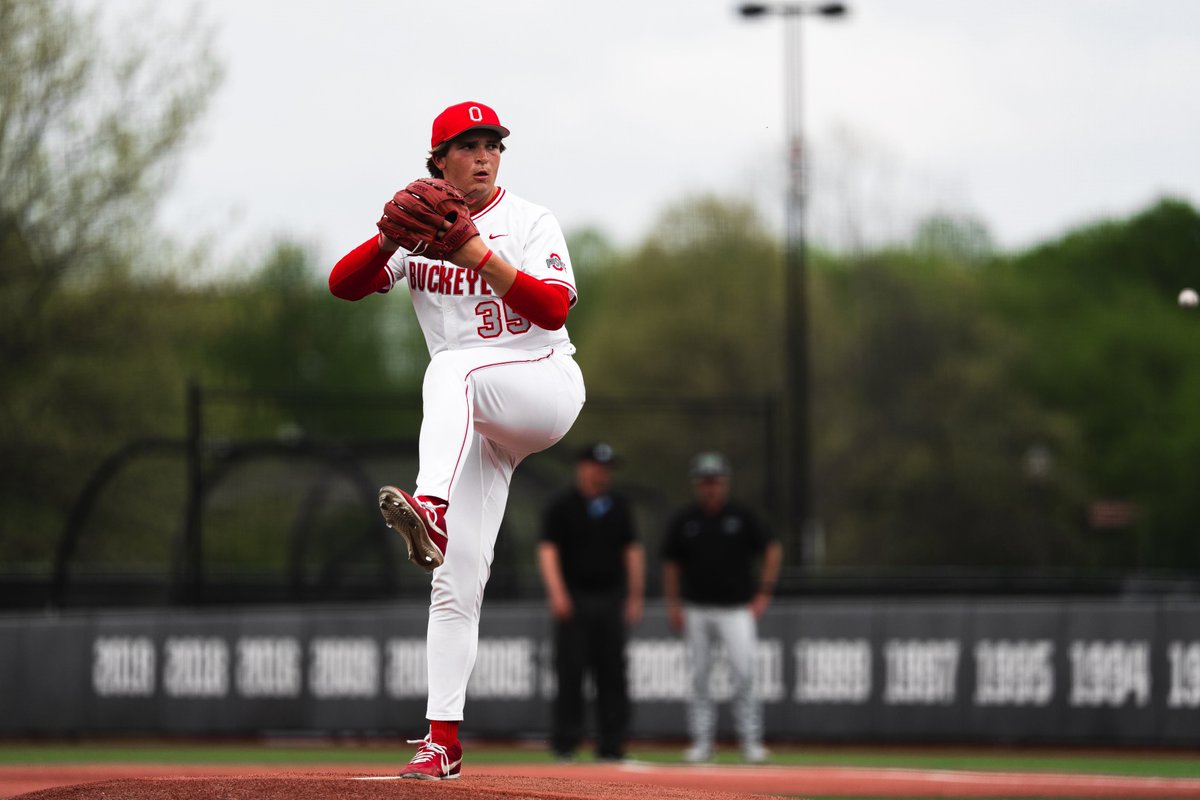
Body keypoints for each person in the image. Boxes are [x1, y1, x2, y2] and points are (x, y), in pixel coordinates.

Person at [328, 101, 586, 780]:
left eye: (492, 144)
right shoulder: (418, 229)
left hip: (542, 386)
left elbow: (554, 308)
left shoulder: (529, 221)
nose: (483, 155)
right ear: (437, 160)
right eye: (467, 145)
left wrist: (476, 253)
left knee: (452, 363)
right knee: (453, 583)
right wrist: (388, 239)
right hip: (471, 420)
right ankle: (442, 741)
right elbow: (342, 286)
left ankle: (430, 509)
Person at [660, 451, 782, 764]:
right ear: (697, 484)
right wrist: (673, 603)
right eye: (704, 480)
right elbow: (671, 564)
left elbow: (771, 548)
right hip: (697, 608)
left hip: (735, 608)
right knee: (700, 677)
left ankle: (751, 743)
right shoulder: (687, 519)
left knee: (744, 674)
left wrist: (765, 591)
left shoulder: (740, 516)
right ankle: (702, 743)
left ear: (724, 482)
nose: (710, 486)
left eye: (715, 480)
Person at [538, 442, 644, 762]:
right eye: (597, 466)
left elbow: (633, 550)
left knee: (612, 673)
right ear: (582, 467)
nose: (602, 473)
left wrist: (635, 596)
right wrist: (557, 593)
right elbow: (548, 550)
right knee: (570, 672)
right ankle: (566, 743)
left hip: (610, 598)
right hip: (574, 599)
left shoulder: (619, 505)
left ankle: (612, 744)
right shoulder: (562, 504)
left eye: (606, 468)